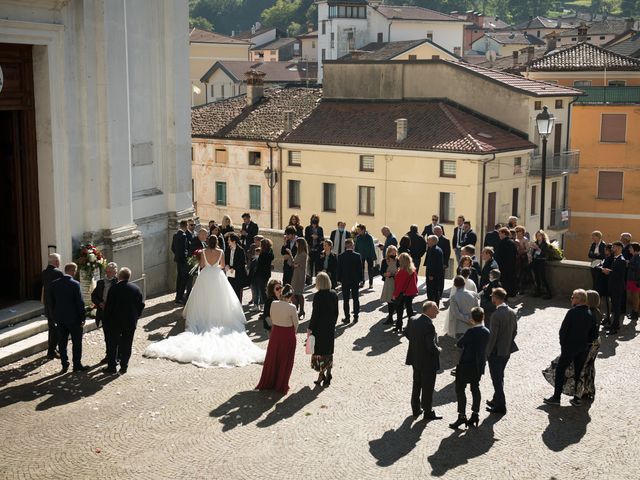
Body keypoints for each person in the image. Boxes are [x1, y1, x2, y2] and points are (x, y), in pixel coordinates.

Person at [144, 235, 265, 367]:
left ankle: (204, 316)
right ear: (217, 242)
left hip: (206, 275)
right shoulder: (221, 252)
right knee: (219, 299)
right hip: (217, 275)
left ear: (208, 242)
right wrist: (216, 265)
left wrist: (205, 262)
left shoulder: (203, 252)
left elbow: (201, 265)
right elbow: (222, 265)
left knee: (202, 298)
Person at [544, 289, 598, 406]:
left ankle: (556, 397)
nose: (571, 299)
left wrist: (564, 346)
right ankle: (577, 398)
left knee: (560, 369)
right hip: (583, 348)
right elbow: (594, 335)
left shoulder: (572, 313)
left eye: (573, 297)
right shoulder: (590, 314)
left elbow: (563, 332)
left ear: (578, 300)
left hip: (570, 348)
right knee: (579, 372)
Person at [450, 306, 490, 429]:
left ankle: (462, 416)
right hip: (479, 365)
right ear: (483, 317)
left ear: (472, 318)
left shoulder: (470, 332)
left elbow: (460, 343)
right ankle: (475, 414)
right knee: (475, 388)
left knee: (460, 389)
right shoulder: (487, 331)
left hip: (466, 364)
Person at [256, 284, 298, 394]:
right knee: (285, 359)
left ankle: (270, 381)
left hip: (276, 333)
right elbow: (296, 324)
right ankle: (281, 383)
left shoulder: (274, 303)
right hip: (287, 334)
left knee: (273, 357)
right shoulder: (292, 307)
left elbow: (272, 317)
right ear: (290, 296)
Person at [102, 267, 145, 374]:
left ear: (119, 276)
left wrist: (106, 319)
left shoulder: (114, 288)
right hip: (130, 321)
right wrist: (136, 316)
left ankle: (111, 367)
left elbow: (109, 306)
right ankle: (124, 366)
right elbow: (141, 305)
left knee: (113, 344)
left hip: (114, 322)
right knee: (127, 344)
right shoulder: (136, 289)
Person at [404, 301, 442, 421]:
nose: (438, 311)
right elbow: (431, 346)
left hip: (415, 358)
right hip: (427, 362)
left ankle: (415, 408)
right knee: (428, 387)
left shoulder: (413, 319)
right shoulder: (429, 325)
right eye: (436, 309)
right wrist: (439, 350)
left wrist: (416, 343)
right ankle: (427, 411)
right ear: (429, 310)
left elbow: (406, 333)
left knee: (417, 383)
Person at [48, 262, 88, 373]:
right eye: (75, 271)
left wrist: (54, 316)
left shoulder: (54, 284)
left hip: (60, 318)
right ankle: (77, 364)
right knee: (76, 342)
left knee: (62, 342)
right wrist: (83, 317)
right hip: (74, 319)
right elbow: (80, 303)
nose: (75, 273)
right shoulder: (75, 284)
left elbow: (51, 302)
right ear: (72, 271)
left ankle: (64, 364)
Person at [485, 288, 518, 415]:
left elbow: (492, 337)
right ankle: (496, 400)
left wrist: (487, 352)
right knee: (500, 376)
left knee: (497, 380)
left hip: (496, 352)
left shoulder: (496, 315)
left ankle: (500, 406)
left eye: (492, 296)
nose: (491, 298)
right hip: (507, 350)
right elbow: (515, 331)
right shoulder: (512, 312)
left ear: (496, 298)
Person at [308, 272, 338, 387]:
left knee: (320, 353)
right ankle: (328, 374)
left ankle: (321, 375)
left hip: (319, 329)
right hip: (329, 328)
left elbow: (315, 315)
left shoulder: (318, 296)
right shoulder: (334, 294)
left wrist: (310, 328)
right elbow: (336, 313)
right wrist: (332, 324)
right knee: (328, 352)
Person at [91, 262, 118, 364]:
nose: (108, 273)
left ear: (115, 272)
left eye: (110, 272)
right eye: (106, 271)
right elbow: (93, 296)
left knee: (115, 336)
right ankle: (109, 355)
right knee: (107, 336)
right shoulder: (101, 282)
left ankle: (116, 356)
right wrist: (99, 303)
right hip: (103, 313)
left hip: (115, 314)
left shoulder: (118, 282)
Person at [41, 253, 64, 359]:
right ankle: (52, 350)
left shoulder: (44, 273)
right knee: (57, 329)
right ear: (55, 262)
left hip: (48, 305)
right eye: (58, 261)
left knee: (51, 328)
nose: (59, 263)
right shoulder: (58, 273)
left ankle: (51, 349)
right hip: (56, 306)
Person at [602, 241, 627, 334]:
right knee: (614, 306)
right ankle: (614, 325)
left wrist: (609, 272)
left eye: (614, 246)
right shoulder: (616, 258)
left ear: (620, 248)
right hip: (613, 286)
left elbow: (619, 275)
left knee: (616, 308)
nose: (612, 248)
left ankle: (615, 327)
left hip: (617, 287)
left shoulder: (621, 259)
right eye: (612, 246)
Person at [337, 238, 362, 324]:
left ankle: (347, 317)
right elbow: (360, 269)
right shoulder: (357, 255)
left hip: (345, 280)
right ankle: (356, 316)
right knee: (356, 299)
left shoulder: (341, 256)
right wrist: (361, 279)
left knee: (346, 300)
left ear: (345, 245)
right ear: (352, 245)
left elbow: (339, 270)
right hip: (355, 280)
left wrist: (338, 280)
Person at [392, 253, 419, 333]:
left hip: (402, 293)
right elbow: (415, 281)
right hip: (409, 293)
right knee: (409, 309)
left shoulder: (402, 272)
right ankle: (411, 326)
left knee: (399, 310)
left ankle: (398, 325)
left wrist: (395, 294)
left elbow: (399, 285)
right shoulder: (413, 270)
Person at [287, 238, 308, 319]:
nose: (295, 244)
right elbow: (293, 264)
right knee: (296, 294)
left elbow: (293, 263)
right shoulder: (300, 253)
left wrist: (290, 254)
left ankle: (299, 310)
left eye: (297, 243)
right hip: (297, 274)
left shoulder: (303, 254)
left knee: (297, 293)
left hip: (299, 276)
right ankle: (299, 310)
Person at [494, 227, 518, 297]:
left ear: (504, 233)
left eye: (500, 234)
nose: (499, 235)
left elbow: (499, 255)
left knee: (505, 281)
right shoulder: (512, 242)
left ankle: (505, 294)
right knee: (511, 279)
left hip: (503, 266)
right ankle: (512, 293)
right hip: (511, 265)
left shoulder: (503, 243)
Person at [225, 233, 248, 303]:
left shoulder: (240, 250)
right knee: (230, 290)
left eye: (229, 240)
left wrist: (234, 268)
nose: (228, 241)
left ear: (234, 241)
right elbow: (226, 259)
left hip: (238, 274)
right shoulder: (228, 249)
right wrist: (227, 265)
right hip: (230, 273)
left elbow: (243, 262)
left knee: (238, 291)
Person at [171, 220, 190, 304]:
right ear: (185, 226)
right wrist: (185, 257)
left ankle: (177, 296)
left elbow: (173, 248)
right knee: (183, 279)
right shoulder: (183, 235)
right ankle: (179, 297)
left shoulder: (175, 235)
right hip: (183, 260)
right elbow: (184, 250)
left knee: (179, 278)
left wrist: (177, 256)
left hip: (178, 260)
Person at [380, 245, 399, 326]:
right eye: (392, 252)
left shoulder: (398, 260)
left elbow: (401, 270)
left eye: (395, 252)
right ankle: (390, 318)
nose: (394, 253)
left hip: (397, 282)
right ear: (388, 253)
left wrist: (397, 274)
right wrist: (385, 274)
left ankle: (398, 319)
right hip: (388, 282)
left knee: (397, 301)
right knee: (389, 301)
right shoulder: (384, 261)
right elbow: (381, 272)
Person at [530, 230, 552, 299]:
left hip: (541, 261)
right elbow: (533, 253)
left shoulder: (545, 244)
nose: (538, 237)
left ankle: (549, 293)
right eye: (537, 235)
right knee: (536, 277)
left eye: (539, 235)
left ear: (543, 236)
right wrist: (532, 249)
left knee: (543, 277)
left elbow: (544, 254)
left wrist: (537, 248)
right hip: (535, 261)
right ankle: (538, 291)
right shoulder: (535, 242)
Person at [595, 244, 614, 324]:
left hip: (605, 282)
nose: (604, 251)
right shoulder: (608, 258)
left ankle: (607, 318)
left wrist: (599, 267)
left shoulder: (610, 258)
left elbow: (605, 269)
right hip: (604, 281)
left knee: (606, 300)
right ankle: (606, 317)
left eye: (606, 249)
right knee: (605, 300)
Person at [254, 238, 274, 310]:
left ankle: (267, 308)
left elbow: (260, 265)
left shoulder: (263, 254)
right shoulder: (270, 251)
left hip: (261, 274)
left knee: (263, 291)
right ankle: (266, 307)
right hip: (267, 274)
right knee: (264, 290)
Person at [425, 235, 444, 306]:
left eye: (428, 240)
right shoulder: (436, 249)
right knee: (435, 291)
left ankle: (432, 307)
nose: (427, 242)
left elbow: (434, 264)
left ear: (433, 241)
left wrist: (431, 275)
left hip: (433, 275)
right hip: (435, 275)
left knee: (432, 291)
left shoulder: (434, 250)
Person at [355, 224, 376, 289]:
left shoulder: (369, 237)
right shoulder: (358, 237)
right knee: (361, 269)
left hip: (369, 255)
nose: (358, 231)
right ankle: (362, 281)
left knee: (370, 269)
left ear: (363, 230)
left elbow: (372, 247)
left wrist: (373, 256)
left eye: (359, 230)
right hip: (361, 255)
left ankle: (371, 283)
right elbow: (356, 247)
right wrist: (355, 255)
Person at [304, 214, 324, 282]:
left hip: (317, 249)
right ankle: (309, 279)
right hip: (310, 249)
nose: (314, 224)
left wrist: (317, 237)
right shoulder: (308, 228)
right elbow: (306, 238)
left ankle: (317, 280)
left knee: (317, 265)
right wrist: (311, 236)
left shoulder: (320, 229)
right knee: (310, 265)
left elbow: (322, 238)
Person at [434, 226, 451, 295]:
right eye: (435, 232)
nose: (436, 233)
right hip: (434, 262)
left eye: (437, 231)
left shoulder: (445, 240)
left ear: (441, 231)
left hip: (442, 263)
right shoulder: (432, 239)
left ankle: (440, 292)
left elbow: (447, 253)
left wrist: (445, 263)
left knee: (440, 278)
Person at [514, 226, 532, 291]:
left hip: (524, 259)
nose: (518, 233)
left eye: (519, 231)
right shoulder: (515, 239)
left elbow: (527, 249)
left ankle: (522, 289)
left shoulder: (525, 239)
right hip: (517, 259)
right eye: (516, 231)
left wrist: (520, 251)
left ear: (522, 232)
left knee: (522, 274)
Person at [625, 242, 640, 320]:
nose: (629, 249)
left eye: (630, 248)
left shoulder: (637, 257)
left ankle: (635, 313)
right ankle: (634, 312)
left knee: (635, 297)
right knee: (633, 297)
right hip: (632, 280)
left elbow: (638, 268)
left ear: (635, 249)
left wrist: (628, 263)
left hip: (635, 280)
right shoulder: (634, 256)